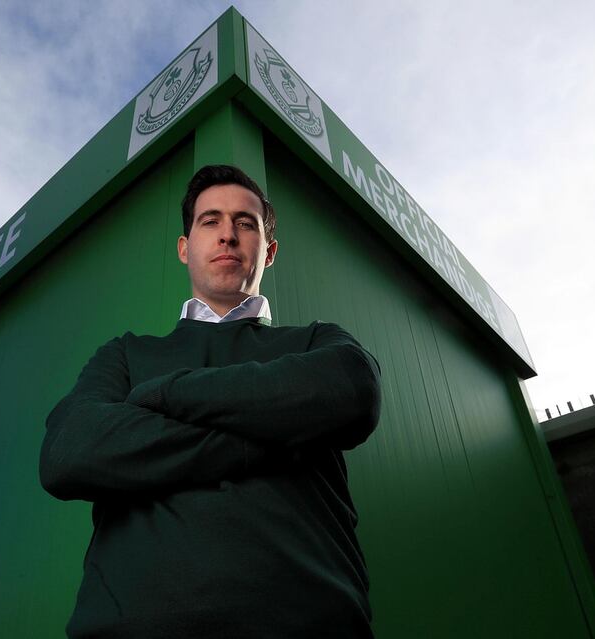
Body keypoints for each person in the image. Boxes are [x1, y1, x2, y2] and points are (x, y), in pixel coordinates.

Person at [40, 164, 382, 638]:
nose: (228, 236)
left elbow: (357, 391)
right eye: (210, 221)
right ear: (185, 248)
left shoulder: (316, 342)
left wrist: (164, 395)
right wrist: (280, 433)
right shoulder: (127, 353)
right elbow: (68, 453)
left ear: (270, 250)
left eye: (245, 223)